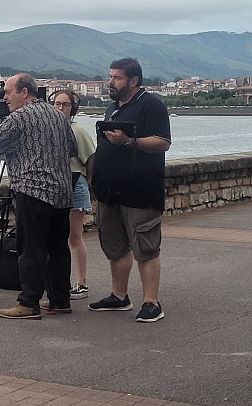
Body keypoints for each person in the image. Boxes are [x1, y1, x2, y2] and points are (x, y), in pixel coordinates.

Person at [0, 73, 77, 319]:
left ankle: (29, 303)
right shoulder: (58, 115)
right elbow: (73, 149)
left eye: (8, 92)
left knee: (31, 249)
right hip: (62, 191)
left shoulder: (21, 117)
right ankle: (60, 300)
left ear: (25, 92)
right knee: (58, 249)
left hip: (32, 190)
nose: (5, 97)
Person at [88, 58, 171, 322]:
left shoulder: (152, 105)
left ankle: (151, 302)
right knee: (115, 247)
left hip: (140, 191)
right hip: (110, 190)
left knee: (145, 247)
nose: (110, 82)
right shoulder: (113, 108)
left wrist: (129, 141)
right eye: (110, 76)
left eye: (116, 78)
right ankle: (119, 296)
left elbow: (163, 142)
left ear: (133, 81)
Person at [50, 90, 96, 300]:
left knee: (74, 237)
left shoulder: (78, 131)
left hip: (75, 184)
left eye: (65, 105)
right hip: (58, 186)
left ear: (73, 108)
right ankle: (60, 281)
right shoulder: (51, 129)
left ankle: (81, 282)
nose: (60, 108)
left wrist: (88, 183)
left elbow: (91, 159)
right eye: (57, 104)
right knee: (59, 237)